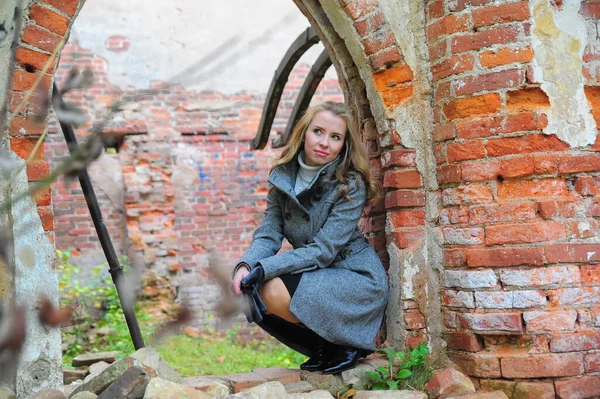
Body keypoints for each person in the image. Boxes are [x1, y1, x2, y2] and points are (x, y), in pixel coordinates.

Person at [231, 101, 388, 374]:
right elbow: (268, 235)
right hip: (316, 274)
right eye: (318, 131)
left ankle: (347, 344)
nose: (324, 142)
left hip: (354, 277)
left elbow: (323, 251)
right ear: (304, 132)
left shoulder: (349, 184)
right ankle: (323, 345)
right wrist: (246, 266)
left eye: (335, 137)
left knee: (270, 288)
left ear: (344, 145)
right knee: (250, 290)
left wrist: (264, 268)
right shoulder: (282, 180)